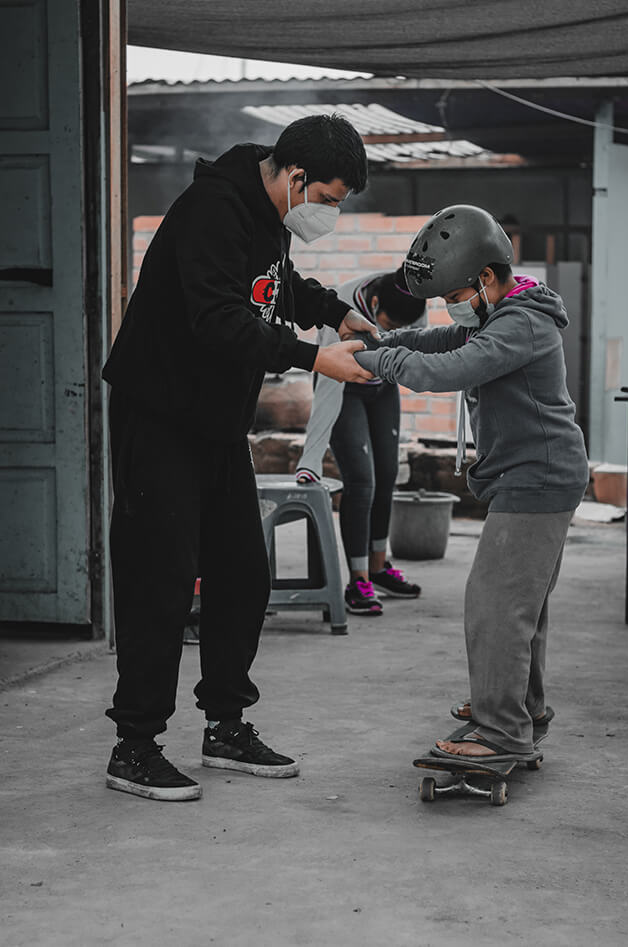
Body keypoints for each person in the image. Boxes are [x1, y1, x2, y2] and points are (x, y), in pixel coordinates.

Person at [102, 114, 377, 801]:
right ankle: (133, 745)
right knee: (161, 579)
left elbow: (274, 286)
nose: (331, 214)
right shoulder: (211, 211)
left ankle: (225, 724)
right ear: (296, 177)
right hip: (159, 414)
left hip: (215, 423)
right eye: (331, 199)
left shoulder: (267, 213)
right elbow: (221, 319)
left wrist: (334, 310)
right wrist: (315, 356)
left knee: (241, 573)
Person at [353, 205, 589, 763]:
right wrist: (382, 343)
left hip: (540, 478)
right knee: (520, 605)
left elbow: (451, 370)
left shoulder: (520, 323)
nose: (452, 308)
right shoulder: (500, 311)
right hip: (533, 475)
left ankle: (501, 730)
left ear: (484, 278)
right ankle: (519, 709)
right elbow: (440, 345)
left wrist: (379, 364)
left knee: (496, 604)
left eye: (454, 296)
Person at [295, 265, 425, 615]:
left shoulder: (415, 307)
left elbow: (415, 356)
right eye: (389, 325)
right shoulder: (341, 304)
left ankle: (379, 567)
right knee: (362, 482)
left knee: (386, 476)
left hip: (382, 388)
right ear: (375, 302)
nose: (392, 332)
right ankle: (358, 579)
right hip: (344, 388)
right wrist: (311, 458)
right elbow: (326, 386)